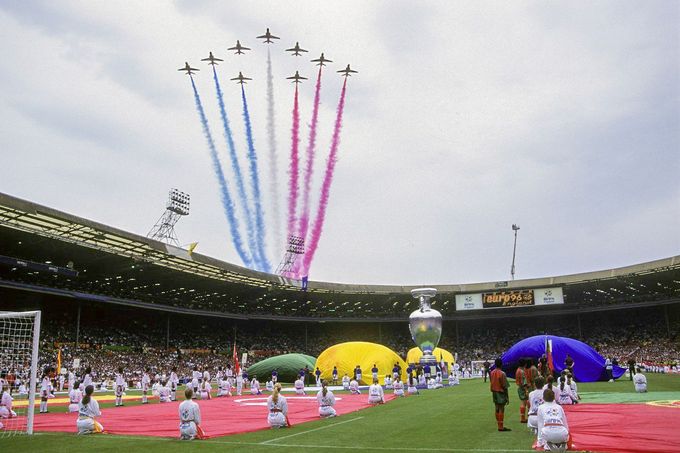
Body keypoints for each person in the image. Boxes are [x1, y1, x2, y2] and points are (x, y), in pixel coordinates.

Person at [490, 358, 511, 432]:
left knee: (496, 408)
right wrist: (507, 397)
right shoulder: (502, 373)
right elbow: (505, 386)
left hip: (494, 392)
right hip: (500, 392)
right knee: (501, 408)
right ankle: (501, 427)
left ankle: (499, 425)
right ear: (501, 364)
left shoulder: (492, 373)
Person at [515, 358, 529, 423]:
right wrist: (526, 390)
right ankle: (522, 418)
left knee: (523, 403)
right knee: (524, 403)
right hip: (522, 388)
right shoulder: (522, 371)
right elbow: (524, 382)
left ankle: (523, 417)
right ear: (525, 364)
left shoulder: (518, 370)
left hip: (519, 387)